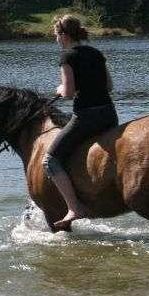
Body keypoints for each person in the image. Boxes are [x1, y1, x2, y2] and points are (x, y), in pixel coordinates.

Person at [43, 15, 118, 230]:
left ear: (65, 36)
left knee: (50, 160)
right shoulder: (96, 53)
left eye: (57, 35)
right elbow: (110, 86)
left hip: (87, 117)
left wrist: (59, 88)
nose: (56, 39)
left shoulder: (67, 57)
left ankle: (75, 207)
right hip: (109, 115)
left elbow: (67, 94)